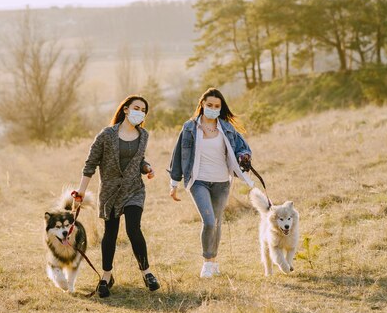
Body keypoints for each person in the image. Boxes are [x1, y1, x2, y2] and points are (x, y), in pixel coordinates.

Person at [76, 95, 160, 298]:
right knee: (110, 234)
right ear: (126, 109)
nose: (140, 112)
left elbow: (138, 161)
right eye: (136, 108)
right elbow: (90, 164)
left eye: (143, 110)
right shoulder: (107, 134)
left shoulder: (144, 135)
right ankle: (106, 276)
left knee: (133, 228)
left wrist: (146, 167)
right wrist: (81, 191)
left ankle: (146, 272)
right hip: (111, 192)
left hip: (134, 190)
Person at [168, 88, 254, 278]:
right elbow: (177, 156)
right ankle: (207, 262)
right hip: (198, 181)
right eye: (209, 105)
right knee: (208, 221)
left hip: (222, 182)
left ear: (220, 108)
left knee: (216, 222)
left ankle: (214, 262)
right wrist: (174, 184)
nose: (213, 109)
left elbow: (243, 148)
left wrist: (243, 157)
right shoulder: (190, 128)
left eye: (217, 106)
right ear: (202, 105)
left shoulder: (227, 128)